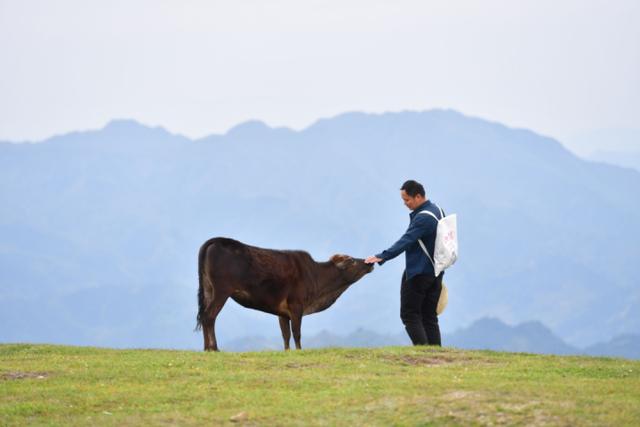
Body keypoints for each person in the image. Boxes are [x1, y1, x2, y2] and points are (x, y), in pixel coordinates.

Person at [365, 179, 444, 346]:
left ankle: (424, 353)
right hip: (436, 272)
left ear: (418, 197)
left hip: (418, 272)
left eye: (407, 200)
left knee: (410, 315)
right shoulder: (438, 210)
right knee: (429, 315)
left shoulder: (423, 218)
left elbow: (407, 240)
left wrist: (383, 256)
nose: (405, 204)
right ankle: (437, 354)